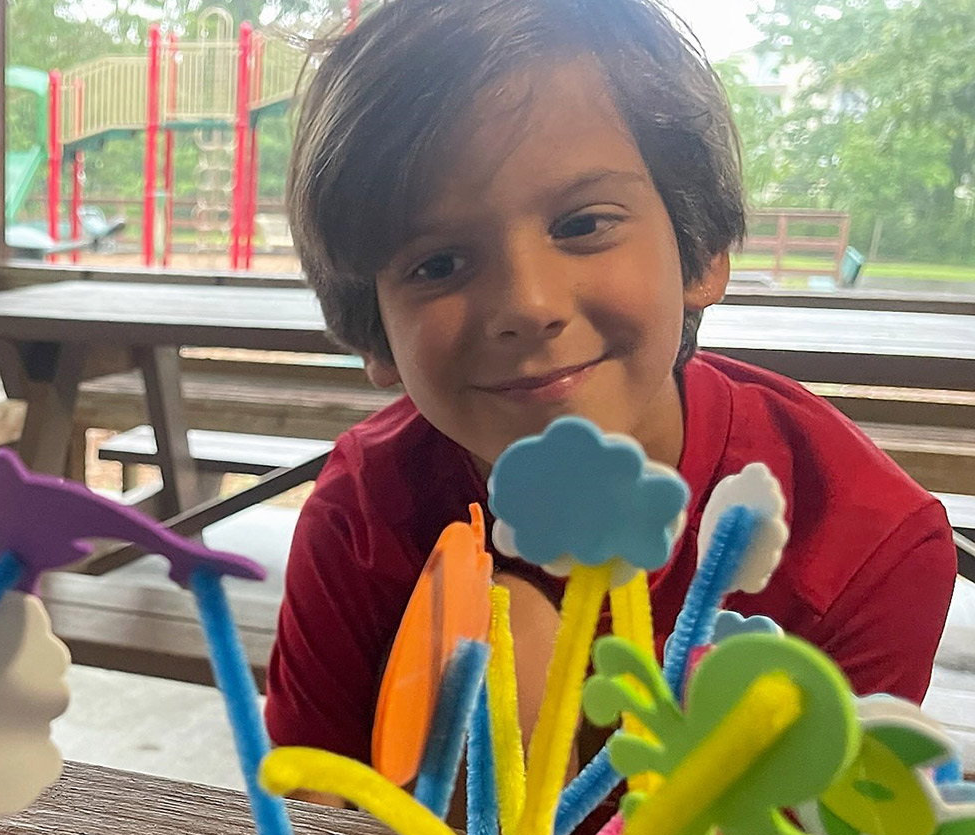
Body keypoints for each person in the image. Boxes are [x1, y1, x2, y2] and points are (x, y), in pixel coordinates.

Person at [266, 0, 957, 766]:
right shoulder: (364, 512)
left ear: (700, 251)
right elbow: (315, 814)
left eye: (583, 224)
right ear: (379, 338)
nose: (528, 305)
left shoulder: (860, 548)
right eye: (438, 264)